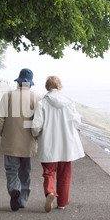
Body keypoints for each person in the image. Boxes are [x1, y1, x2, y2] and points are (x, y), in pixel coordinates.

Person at [31, 76, 85, 212]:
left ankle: (50, 192)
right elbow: (77, 122)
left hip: (48, 143)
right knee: (65, 174)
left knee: (49, 172)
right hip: (67, 144)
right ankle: (62, 202)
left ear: (47, 87)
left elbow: (36, 126)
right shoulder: (69, 102)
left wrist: (35, 135)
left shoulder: (42, 103)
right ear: (59, 86)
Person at [0, 68, 41, 211]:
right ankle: (22, 200)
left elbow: (0, 119)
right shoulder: (36, 98)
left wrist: (3, 133)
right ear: (30, 85)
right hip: (28, 142)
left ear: (18, 83)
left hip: (10, 140)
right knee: (25, 172)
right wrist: (36, 137)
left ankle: (14, 189)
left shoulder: (8, 96)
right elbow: (39, 122)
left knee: (11, 170)